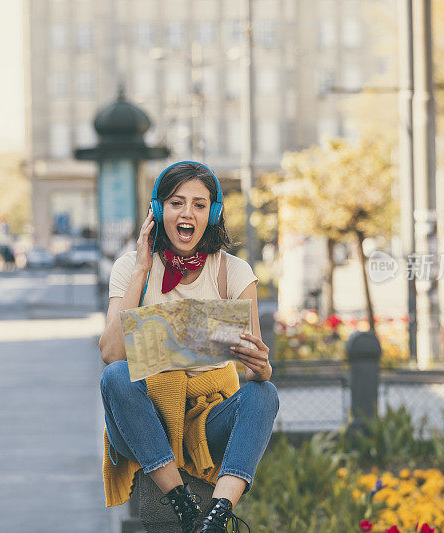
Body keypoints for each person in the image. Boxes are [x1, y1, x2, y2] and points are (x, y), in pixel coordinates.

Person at [98, 161, 279, 533]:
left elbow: (255, 370)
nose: (187, 213)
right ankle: (181, 503)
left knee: (265, 393)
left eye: (199, 204)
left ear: (212, 214)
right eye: (177, 202)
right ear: (158, 210)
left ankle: (215, 514)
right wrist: (141, 270)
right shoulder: (130, 267)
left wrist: (261, 366)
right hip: (145, 418)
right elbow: (113, 353)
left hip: (206, 418)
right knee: (115, 375)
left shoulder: (233, 271)